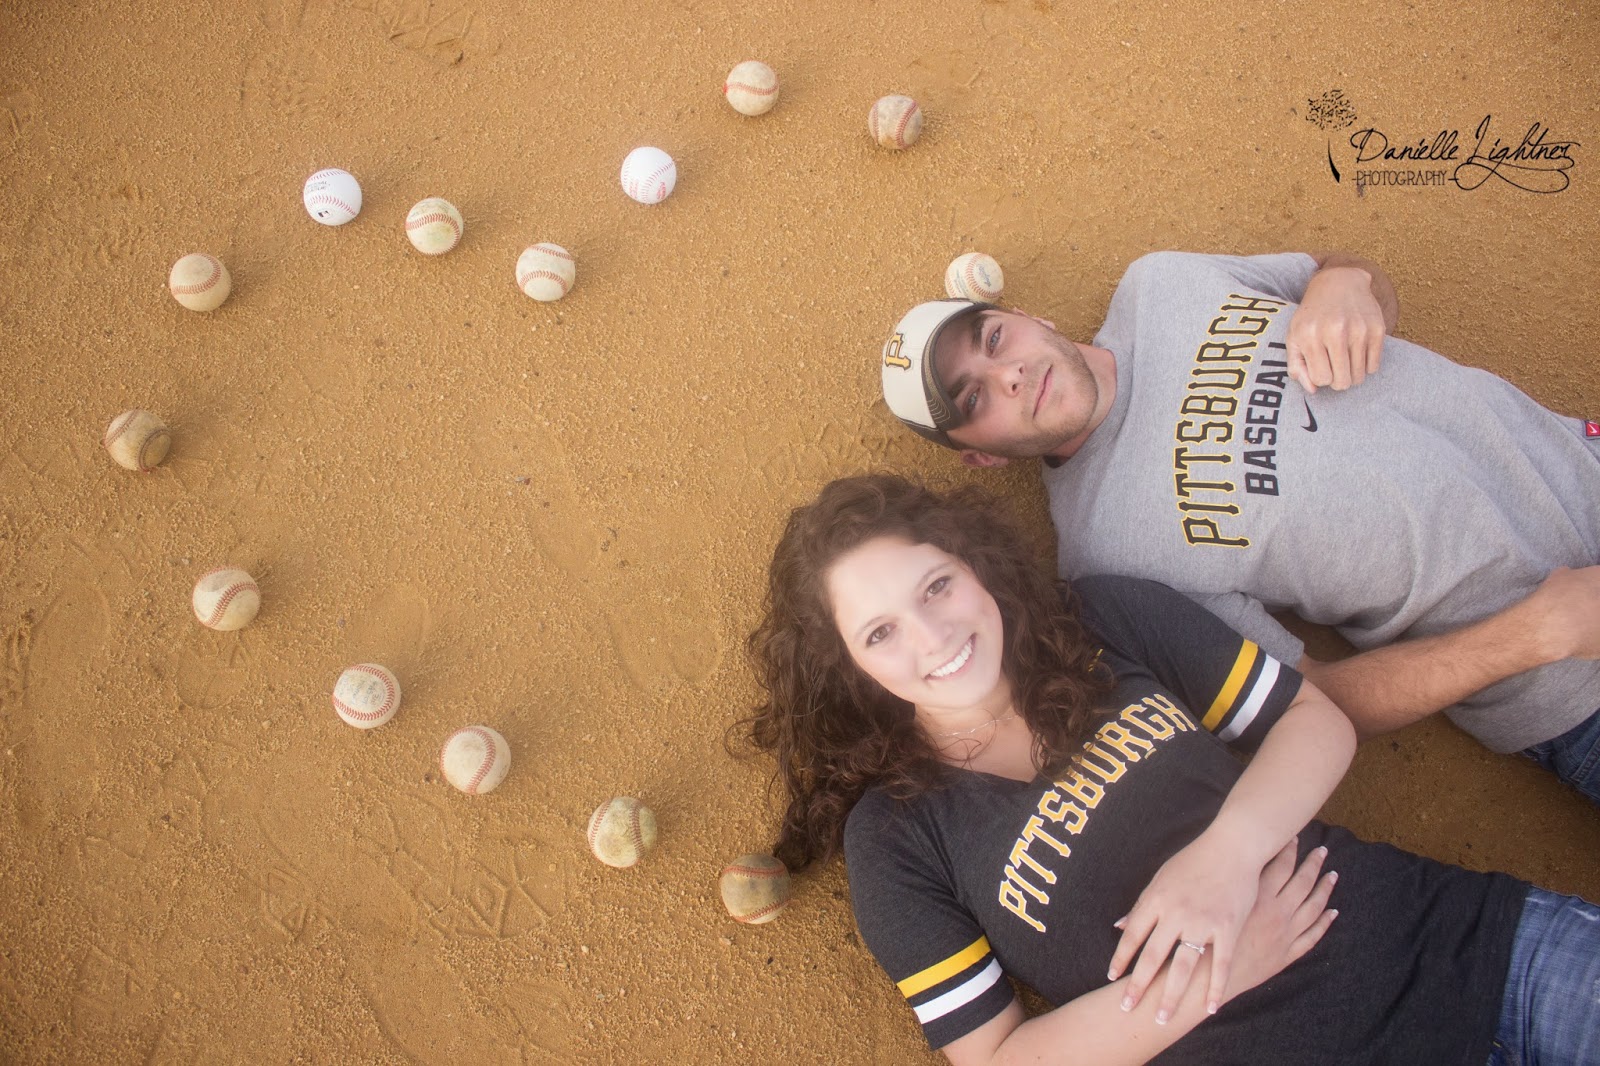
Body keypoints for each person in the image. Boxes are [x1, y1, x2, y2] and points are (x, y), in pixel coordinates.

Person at [744, 473, 1600, 1065]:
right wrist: (1206, 978)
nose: (931, 636)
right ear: (850, 667)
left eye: (935, 586)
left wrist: (1224, 859)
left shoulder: (1105, 618)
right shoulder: (896, 832)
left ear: (973, 566)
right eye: (880, 633)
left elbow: (1315, 720)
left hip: (1475, 953)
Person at [878, 250, 1600, 803]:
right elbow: (1316, 699)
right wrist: (1536, 634)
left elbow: (1350, 274)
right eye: (972, 397)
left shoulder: (1158, 284)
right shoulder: (1107, 562)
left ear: (1037, 320)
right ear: (981, 457)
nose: (1005, 374)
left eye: (994, 339)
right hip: (1564, 678)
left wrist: (1343, 285)